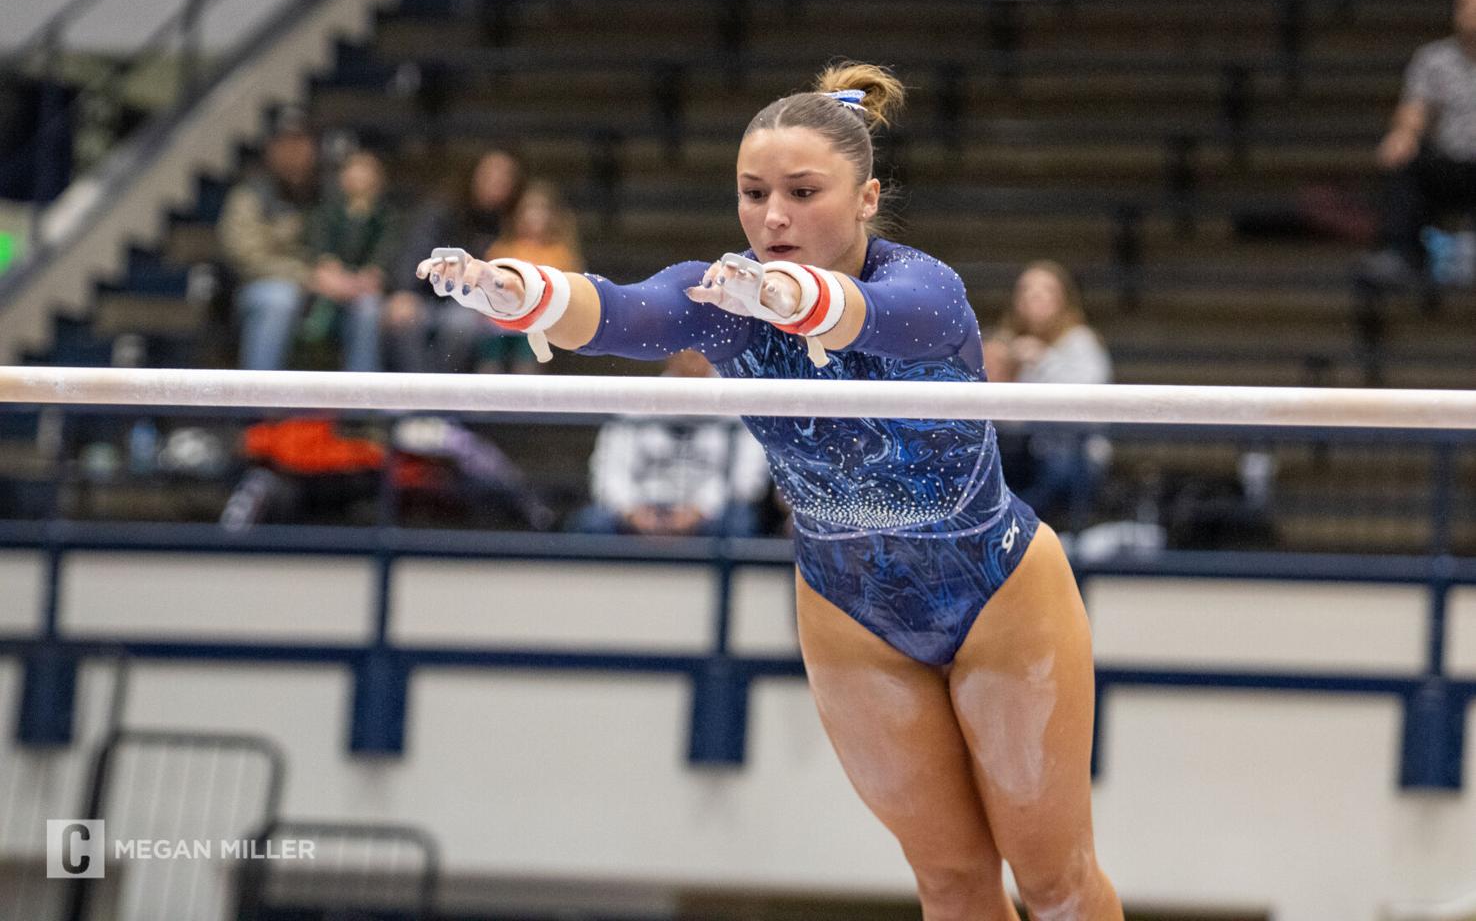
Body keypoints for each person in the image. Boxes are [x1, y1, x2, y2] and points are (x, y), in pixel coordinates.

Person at [417, 62, 1122, 919]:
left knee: (1054, 886)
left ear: (866, 198)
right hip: (851, 609)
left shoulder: (928, 291)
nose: (772, 216)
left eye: (801, 191)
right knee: (950, 882)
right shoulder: (720, 301)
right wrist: (520, 289)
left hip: (998, 589)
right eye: (752, 193)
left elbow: (856, 317)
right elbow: (617, 311)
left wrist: (785, 295)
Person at [568, 350, 770, 537]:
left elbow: (747, 477)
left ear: (716, 351)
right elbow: (609, 469)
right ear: (667, 352)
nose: (691, 354)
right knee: (589, 523)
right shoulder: (638, 398)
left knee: (740, 524)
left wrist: (699, 510)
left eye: (700, 346)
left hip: (708, 512)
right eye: (683, 346)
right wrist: (631, 511)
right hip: (642, 506)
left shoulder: (738, 401)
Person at [1362, 0, 1476, 299]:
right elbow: (1415, 108)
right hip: (1450, 164)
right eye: (1467, 5)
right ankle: (1402, 255)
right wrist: (1403, 134)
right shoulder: (1434, 59)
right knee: (1404, 162)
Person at [985, 261, 1113, 525]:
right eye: (1027, 290)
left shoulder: (1080, 342)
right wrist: (998, 366)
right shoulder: (1004, 341)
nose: (1036, 297)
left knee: (1058, 467)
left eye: (1046, 290)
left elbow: (1090, 399)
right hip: (1018, 445)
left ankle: (1024, 528)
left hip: (1069, 448)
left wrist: (1043, 360)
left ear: (1063, 299)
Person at [384, 148, 526, 373]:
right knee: (406, 319)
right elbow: (416, 248)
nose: (495, 182)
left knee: (460, 323)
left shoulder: (515, 222)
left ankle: (443, 397)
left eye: (504, 178)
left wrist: (491, 303)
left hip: (474, 304)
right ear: (474, 176)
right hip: (426, 295)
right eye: (489, 175)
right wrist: (404, 290)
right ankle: (417, 394)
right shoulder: (443, 209)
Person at [218, 106, 324, 370]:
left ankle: (365, 407)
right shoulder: (250, 196)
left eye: (300, 142)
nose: (293, 151)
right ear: (270, 148)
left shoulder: (328, 194)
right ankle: (260, 405)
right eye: (285, 143)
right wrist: (307, 276)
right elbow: (247, 257)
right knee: (278, 299)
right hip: (265, 287)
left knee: (367, 307)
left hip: (325, 290)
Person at [300, 147, 403, 371]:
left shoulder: (388, 218)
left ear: (378, 179)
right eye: (353, 170)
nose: (359, 177)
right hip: (326, 294)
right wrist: (335, 279)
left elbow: (381, 265)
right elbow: (322, 259)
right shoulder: (325, 213)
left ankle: (362, 394)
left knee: (368, 309)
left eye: (366, 172)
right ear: (342, 177)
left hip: (366, 293)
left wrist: (358, 283)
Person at [481, 178, 584, 373]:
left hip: (541, 319)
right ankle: (489, 393)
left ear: (553, 217)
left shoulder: (560, 253)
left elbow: (571, 293)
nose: (534, 217)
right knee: (491, 343)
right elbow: (486, 285)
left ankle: (526, 391)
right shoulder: (503, 248)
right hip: (501, 318)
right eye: (529, 210)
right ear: (518, 215)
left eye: (541, 211)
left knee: (527, 342)